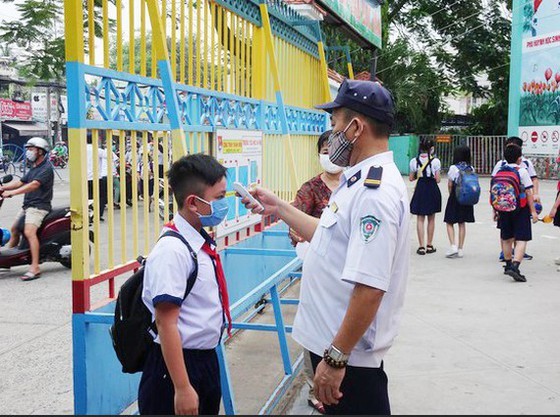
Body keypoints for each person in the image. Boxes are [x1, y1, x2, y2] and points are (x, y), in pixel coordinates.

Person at [241, 79, 409, 415]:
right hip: (335, 347)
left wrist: (335, 358)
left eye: (334, 126)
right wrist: (280, 208)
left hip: (349, 360)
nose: (330, 136)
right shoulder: (358, 180)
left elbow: (371, 287)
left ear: (355, 127)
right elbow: (329, 236)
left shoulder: (374, 193)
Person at [138, 153, 230, 415]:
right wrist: (182, 387)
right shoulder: (172, 252)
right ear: (193, 202)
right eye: (220, 198)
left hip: (203, 359)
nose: (225, 205)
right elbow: (166, 322)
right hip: (177, 367)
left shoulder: (197, 241)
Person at [289, 129, 342, 414]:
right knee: (316, 328)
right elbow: (294, 224)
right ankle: (316, 388)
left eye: (335, 149)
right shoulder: (309, 189)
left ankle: (337, 383)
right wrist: (298, 233)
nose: (329, 155)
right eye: (325, 150)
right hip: (318, 271)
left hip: (346, 275)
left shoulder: (354, 186)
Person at [0, 137, 54, 281]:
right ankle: (8, 261)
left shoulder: (46, 168)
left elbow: (34, 185)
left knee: (29, 232)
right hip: (28, 206)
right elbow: (21, 182)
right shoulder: (34, 168)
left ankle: (35, 267)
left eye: (31, 149)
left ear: (40, 151)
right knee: (14, 229)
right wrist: (3, 188)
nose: (28, 152)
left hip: (39, 206)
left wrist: (12, 193)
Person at [495, 144, 538, 282]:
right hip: (520, 209)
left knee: (506, 237)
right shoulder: (522, 171)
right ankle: (515, 266)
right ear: (520, 158)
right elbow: (529, 193)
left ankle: (507, 264)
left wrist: (495, 210)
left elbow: (495, 192)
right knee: (522, 239)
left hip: (503, 208)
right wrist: (533, 211)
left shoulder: (500, 171)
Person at [409, 138, 442, 255]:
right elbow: (438, 179)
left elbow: (411, 178)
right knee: (431, 217)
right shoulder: (435, 161)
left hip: (420, 188)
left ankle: (421, 246)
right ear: (431, 148)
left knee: (420, 218)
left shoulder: (414, 161)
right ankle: (429, 244)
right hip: (431, 188)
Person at [444, 145, 475, 258]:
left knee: (449, 221)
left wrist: (451, 194)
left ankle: (453, 245)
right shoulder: (471, 168)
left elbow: (450, 184)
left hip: (455, 197)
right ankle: (461, 248)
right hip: (466, 198)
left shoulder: (453, 168)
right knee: (462, 223)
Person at [86, 132, 108, 221]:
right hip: (96, 178)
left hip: (85, 178)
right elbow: (108, 156)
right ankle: (98, 215)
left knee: (88, 198)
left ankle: (89, 215)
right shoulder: (97, 150)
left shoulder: (81, 149)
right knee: (101, 197)